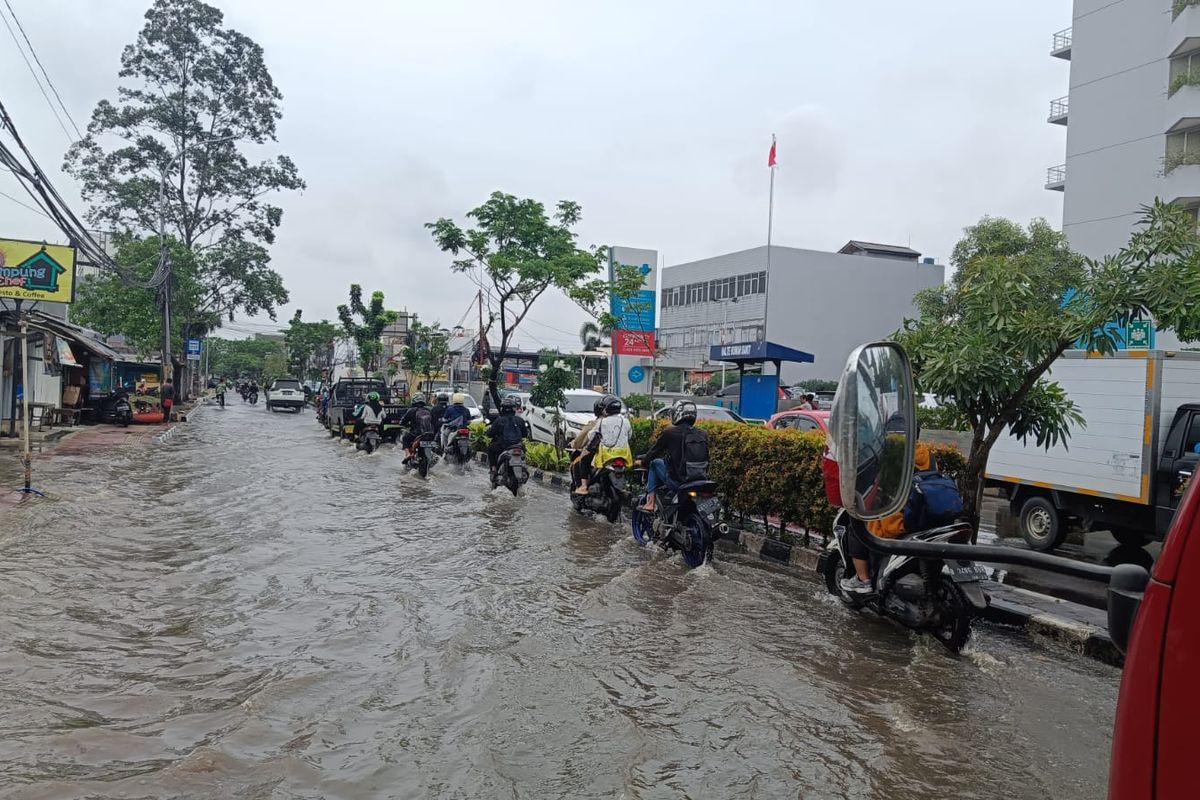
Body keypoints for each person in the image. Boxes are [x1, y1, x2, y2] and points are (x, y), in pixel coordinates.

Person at [637, 400, 709, 513]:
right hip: (701, 480)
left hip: (679, 481)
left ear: (676, 413)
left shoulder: (670, 433)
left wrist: (643, 462)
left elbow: (654, 452)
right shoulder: (703, 433)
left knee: (655, 463)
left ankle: (650, 503)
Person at [575, 394, 632, 495]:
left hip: (606, 455)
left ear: (606, 409)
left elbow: (591, 435)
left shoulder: (602, 422)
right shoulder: (626, 421)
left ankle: (583, 486)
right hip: (624, 454)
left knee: (584, 459)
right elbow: (629, 435)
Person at [486, 395, 531, 479]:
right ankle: (524, 469)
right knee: (524, 453)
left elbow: (490, 434)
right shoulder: (520, 420)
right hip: (518, 446)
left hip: (503, 446)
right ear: (513, 409)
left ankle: (494, 469)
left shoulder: (499, 420)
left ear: (502, 409)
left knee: (490, 449)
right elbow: (525, 434)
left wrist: (488, 432)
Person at [569, 398, 606, 492]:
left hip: (599, 454)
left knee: (580, 461)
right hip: (619, 453)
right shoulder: (622, 422)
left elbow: (583, 438)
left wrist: (573, 444)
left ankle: (583, 486)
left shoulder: (597, 423)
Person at [400, 393, 435, 462]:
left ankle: (408, 454)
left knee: (405, 438)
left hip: (417, 434)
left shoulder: (411, 410)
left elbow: (403, 422)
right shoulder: (429, 410)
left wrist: (406, 425)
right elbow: (434, 422)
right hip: (430, 434)